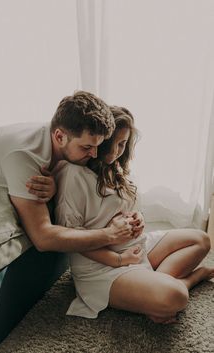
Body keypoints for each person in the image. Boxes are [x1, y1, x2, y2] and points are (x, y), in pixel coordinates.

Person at [28, 105, 213, 323]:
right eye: (114, 143)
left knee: (200, 240)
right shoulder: (73, 175)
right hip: (103, 266)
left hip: (134, 249)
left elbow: (132, 207)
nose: (117, 152)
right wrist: (118, 259)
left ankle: (150, 289)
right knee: (177, 297)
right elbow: (72, 237)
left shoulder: (116, 169)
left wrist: (139, 219)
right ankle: (187, 281)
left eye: (123, 144)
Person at [0, 91, 135, 253]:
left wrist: (55, 185)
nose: (95, 154)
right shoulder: (24, 157)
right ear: (59, 137)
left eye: (98, 146)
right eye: (87, 147)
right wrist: (110, 235)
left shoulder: (64, 133)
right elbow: (43, 238)